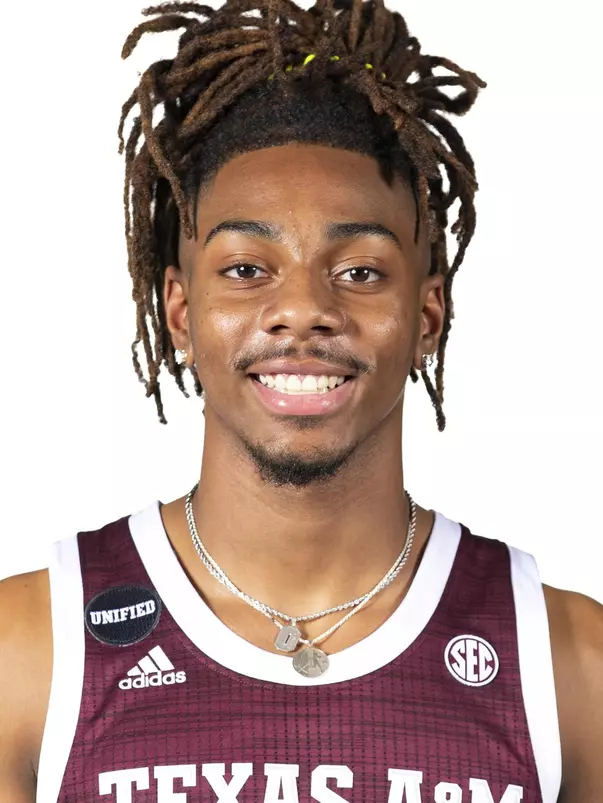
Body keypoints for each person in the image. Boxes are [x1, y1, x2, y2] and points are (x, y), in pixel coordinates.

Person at [1, 0, 601, 800]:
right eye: (246, 270)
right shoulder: (29, 651)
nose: (302, 309)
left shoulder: (566, 665)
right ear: (179, 312)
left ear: (428, 315)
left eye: (359, 271)